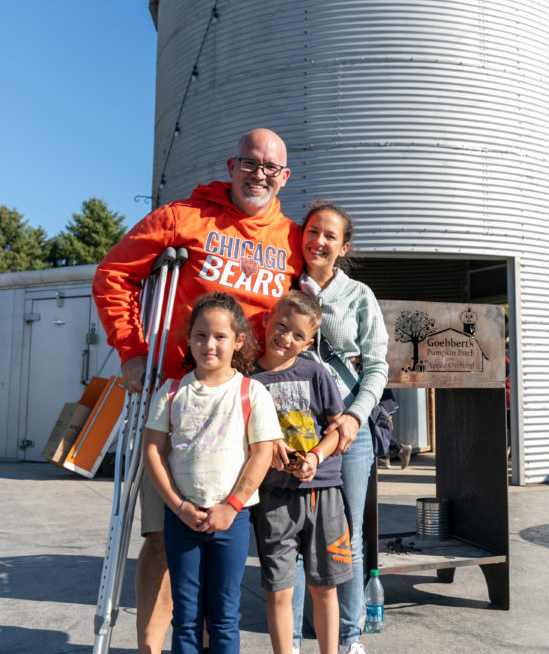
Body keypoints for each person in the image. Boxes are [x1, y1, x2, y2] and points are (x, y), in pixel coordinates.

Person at [93, 128, 301, 654]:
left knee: (223, 540)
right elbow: (114, 272)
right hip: (178, 401)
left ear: (284, 177)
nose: (259, 175)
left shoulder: (293, 239)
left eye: (270, 168)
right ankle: (151, 647)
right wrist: (133, 350)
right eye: (249, 164)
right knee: (163, 538)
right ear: (231, 167)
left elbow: (310, 314)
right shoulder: (185, 216)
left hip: (245, 407)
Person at [143, 293, 283, 653]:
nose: (210, 344)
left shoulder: (253, 392)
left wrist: (231, 506)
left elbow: (261, 453)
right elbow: (154, 452)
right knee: (186, 616)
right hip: (181, 519)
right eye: (201, 335)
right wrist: (178, 507)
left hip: (231, 520)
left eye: (220, 336)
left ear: (238, 341)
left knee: (223, 615)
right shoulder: (171, 392)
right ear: (188, 339)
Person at [296, 201, 389, 654]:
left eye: (330, 235)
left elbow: (377, 367)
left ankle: (350, 637)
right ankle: (292, 637)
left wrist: (355, 416)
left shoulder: (359, 296)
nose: (319, 241)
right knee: (294, 537)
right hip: (297, 431)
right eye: (313, 231)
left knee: (346, 535)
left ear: (343, 246)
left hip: (350, 433)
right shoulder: (286, 287)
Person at [250, 291, 352, 654]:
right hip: (273, 497)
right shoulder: (246, 379)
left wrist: (316, 457)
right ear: (266, 321)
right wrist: (265, 446)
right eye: (280, 326)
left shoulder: (316, 372)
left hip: (324, 493)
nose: (285, 338)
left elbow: (338, 427)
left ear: (309, 342)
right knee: (278, 590)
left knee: (325, 587)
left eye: (297, 335)